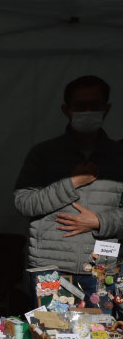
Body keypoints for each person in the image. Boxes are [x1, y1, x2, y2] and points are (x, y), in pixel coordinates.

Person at [14, 75, 123, 298]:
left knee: (100, 322)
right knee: (48, 322)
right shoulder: (44, 153)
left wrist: (100, 222)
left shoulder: (118, 156)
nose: (88, 111)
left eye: (95, 105)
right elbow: (23, 202)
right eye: (81, 105)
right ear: (66, 109)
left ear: (106, 109)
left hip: (101, 268)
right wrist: (71, 183)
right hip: (50, 268)